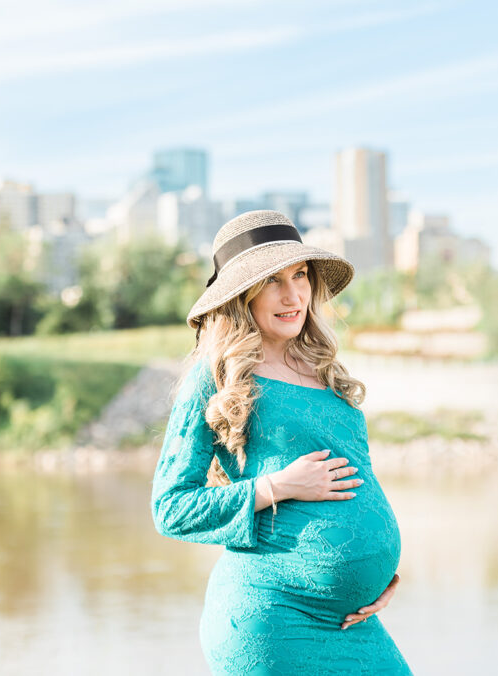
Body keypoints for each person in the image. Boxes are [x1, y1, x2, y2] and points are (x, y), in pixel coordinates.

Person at [150, 210, 411, 674]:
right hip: (272, 618)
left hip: (351, 621)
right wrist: (280, 486)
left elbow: (356, 479)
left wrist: (376, 575)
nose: (293, 296)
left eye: (300, 276)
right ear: (239, 296)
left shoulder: (323, 369)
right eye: (272, 281)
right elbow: (171, 508)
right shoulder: (214, 381)